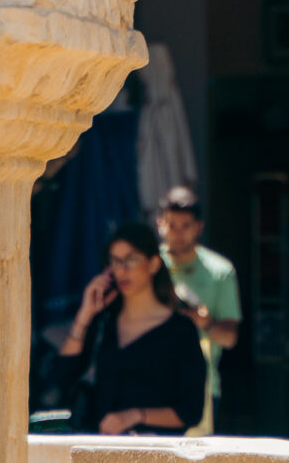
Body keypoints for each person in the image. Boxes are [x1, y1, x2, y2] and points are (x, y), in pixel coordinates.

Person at [55, 219, 208, 436]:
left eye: (132, 260)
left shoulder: (181, 331)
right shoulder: (102, 323)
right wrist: (85, 314)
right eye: (116, 261)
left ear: (153, 264)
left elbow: (191, 411)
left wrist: (135, 415)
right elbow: (62, 378)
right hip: (96, 452)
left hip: (155, 458)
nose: (123, 269)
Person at [158, 185, 242, 433]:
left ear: (199, 227)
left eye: (186, 225)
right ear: (160, 224)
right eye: (172, 225)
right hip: (153, 378)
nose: (179, 233)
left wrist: (204, 322)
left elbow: (229, 338)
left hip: (201, 385)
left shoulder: (220, 271)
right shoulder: (146, 266)